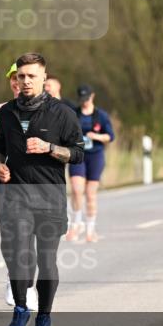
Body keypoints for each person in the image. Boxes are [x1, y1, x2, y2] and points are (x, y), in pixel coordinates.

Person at [0, 52, 84, 326]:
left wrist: (49, 148)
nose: (26, 81)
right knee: (20, 255)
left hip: (49, 197)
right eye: (21, 76)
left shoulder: (63, 114)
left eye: (32, 75)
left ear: (44, 78)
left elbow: (78, 154)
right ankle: (21, 307)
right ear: (15, 79)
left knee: (46, 260)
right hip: (16, 195)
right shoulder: (7, 112)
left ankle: (44, 317)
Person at [0, 64, 39, 312]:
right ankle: (13, 277)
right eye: (13, 78)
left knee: (27, 238)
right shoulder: (1, 110)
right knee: (9, 238)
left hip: (32, 183)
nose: (17, 82)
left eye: (22, 77)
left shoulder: (42, 108)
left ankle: (25, 284)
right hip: (6, 181)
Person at [67, 84, 114, 243]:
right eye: (82, 99)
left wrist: (97, 136)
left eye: (86, 99)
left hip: (95, 156)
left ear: (92, 96)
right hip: (78, 155)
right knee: (76, 188)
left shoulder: (101, 115)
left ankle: (90, 230)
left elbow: (110, 136)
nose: (84, 102)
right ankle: (77, 222)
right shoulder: (74, 113)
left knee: (90, 194)